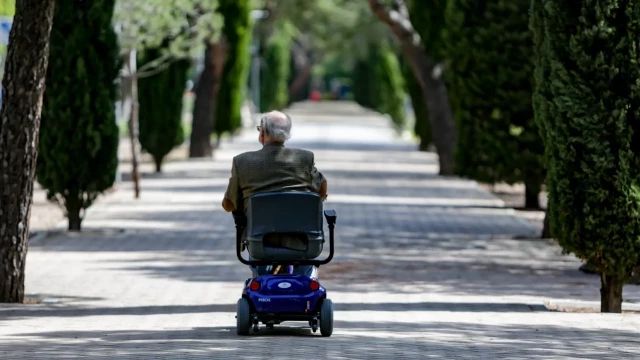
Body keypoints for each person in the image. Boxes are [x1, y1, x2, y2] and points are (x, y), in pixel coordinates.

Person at [222, 110, 328, 278]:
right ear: (287, 135)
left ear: (262, 132)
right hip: (301, 242)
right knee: (306, 270)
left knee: (259, 268)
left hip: (261, 244)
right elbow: (321, 190)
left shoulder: (242, 162)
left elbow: (229, 204)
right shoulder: (305, 158)